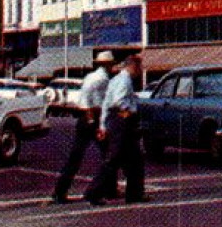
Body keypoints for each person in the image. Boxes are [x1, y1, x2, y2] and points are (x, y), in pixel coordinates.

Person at [50, 51, 116, 204]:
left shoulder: (91, 77)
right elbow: (94, 103)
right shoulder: (103, 79)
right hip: (92, 118)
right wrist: (96, 123)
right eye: (111, 64)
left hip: (84, 119)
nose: (113, 67)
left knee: (75, 157)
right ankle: (103, 190)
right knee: (109, 155)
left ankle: (60, 191)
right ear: (107, 65)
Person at [83, 53, 148, 206]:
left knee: (134, 159)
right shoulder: (125, 80)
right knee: (115, 159)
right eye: (139, 67)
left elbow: (106, 104)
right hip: (122, 121)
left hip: (115, 120)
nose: (140, 70)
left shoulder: (115, 79)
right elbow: (119, 101)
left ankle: (134, 194)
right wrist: (129, 113)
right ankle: (93, 192)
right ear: (133, 66)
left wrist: (103, 125)